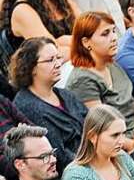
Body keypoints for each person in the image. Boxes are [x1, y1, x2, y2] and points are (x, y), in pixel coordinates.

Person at [10, 37, 87, 171]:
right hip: (73, 173)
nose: (58, 64)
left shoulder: (65, 95)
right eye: (50, 60)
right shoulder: (27, 106)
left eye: (58, 58)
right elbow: (59, 155)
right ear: (31, 67)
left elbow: (93, 125)